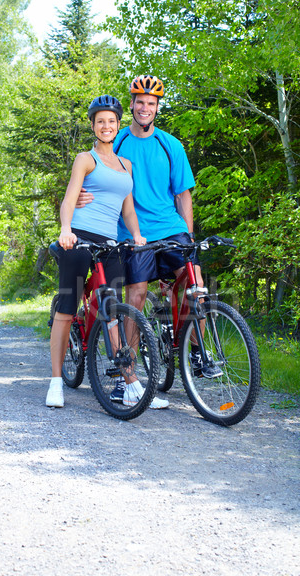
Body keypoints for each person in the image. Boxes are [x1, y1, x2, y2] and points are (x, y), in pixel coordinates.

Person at [77, 76, 223, 400]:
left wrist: (187, 234)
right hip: (130, 232)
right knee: (137, 292)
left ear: (157, 108)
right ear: (131, 104)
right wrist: (80, 198)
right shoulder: (117, 142)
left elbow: (183, 195)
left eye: (151, 103)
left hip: (170, 227)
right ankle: (124, 373)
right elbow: (90, 177)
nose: (145, 108)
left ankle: (196, 350)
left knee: (194, 280)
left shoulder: (170, 145)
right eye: (139, 102)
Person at [46, 94, 169, 410]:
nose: (106, 126)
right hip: (79, 238)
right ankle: (56, 382)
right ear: (93, 125)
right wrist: (65, 229)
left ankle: (130, 385)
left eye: (111, 121)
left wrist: (138, 235)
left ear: (118, 125)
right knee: (67, 307)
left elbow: (128, 210)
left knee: (112, 310)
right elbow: (70, 199)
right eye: (100, 121)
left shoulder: (125, 164)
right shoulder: (85, 159)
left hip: (109, 243)